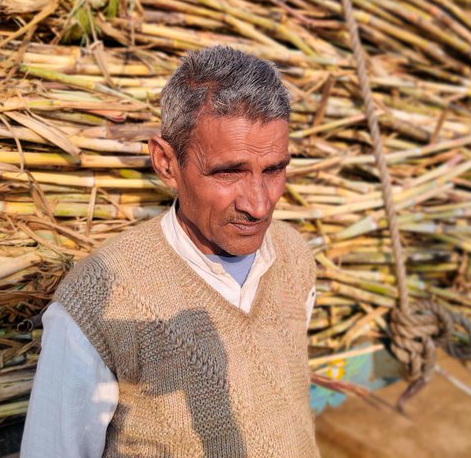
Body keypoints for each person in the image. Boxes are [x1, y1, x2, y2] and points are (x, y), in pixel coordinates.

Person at [20, 46, 319, 457]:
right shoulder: (100, 301)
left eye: (274, 170)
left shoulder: (294, 256)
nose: (260, 204)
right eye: (228, 172)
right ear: (165, 162)